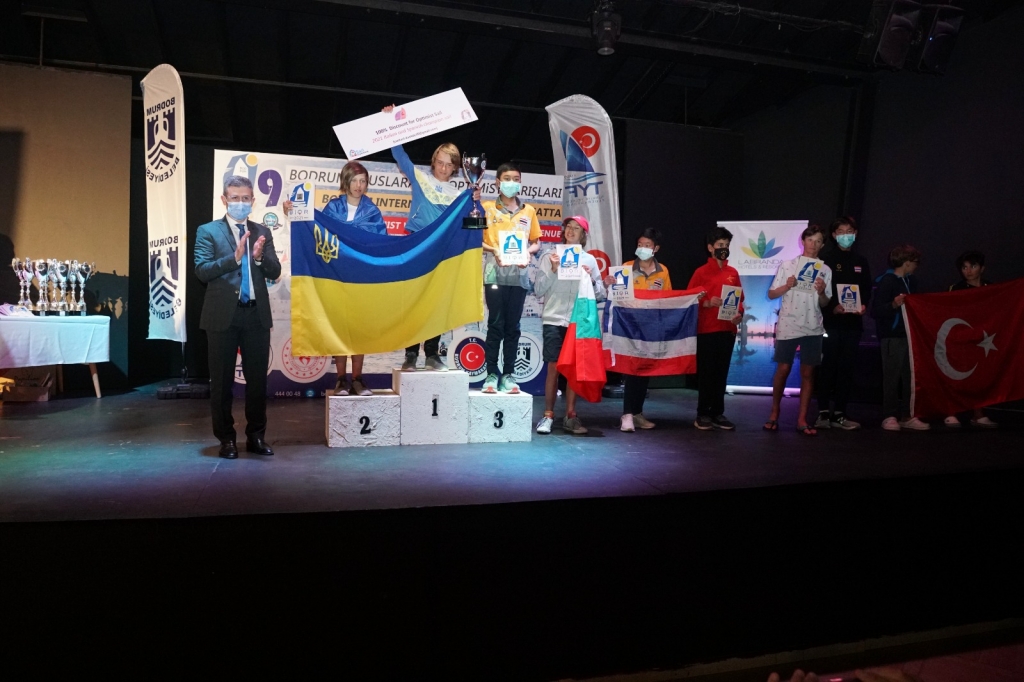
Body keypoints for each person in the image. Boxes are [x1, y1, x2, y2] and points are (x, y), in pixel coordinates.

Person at [381, 104, 481, 372]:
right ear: (433, 161)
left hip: (441, 251)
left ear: (455, 168)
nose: (444, 168)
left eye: (449, 165)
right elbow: (398, 153)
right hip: (415, 244)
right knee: (414, 301)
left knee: (436, 302)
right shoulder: (420, 178)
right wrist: (391, 121)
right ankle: (411, 354)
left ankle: (433, 354)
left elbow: (469, 226)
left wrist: (475, 202)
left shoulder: (458, 196)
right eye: (440, 162)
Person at [195, 175, 281, 459]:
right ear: (224, 200)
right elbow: (202, 271)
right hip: (222, 317)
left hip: (256, 315)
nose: (240, 203)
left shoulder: (262, 231)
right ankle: (226, 439)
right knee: (221, 383)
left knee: (257, 382)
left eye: (245, 198)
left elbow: (275, 270)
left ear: (253, 200)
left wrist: (258, 258)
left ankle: (256, 436)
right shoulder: (208, 231)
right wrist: (234, 257)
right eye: (235, 198)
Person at [286, 161, 386, 397]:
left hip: (360, 279)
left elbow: (380, 243)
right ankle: (341, 379)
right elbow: (314, 229)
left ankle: (358, 379)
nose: (359, 186)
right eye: (354, 181)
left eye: (363, 181)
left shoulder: (372, 211)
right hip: (335, 277)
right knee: (339, 328)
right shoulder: (332, 208)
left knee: (359, 330)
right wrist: (292, 211)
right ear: (345, 182)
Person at [533, 216, 606, 435]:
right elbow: (538, 289)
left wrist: (591, 279)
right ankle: (548, 415)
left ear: (584, 235)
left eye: (577, 228)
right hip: (554, 318)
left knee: (574, 369)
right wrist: (554, 269)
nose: (571, 231)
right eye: (568, 227)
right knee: (554, 367)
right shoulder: (550, 255)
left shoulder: (589, 260)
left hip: (578, 321)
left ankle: (571, 416)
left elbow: (601, 294)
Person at [764, 224, 833, 435]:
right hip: (789, 323)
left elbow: (825, 303)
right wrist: (787, 285)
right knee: (783, 369)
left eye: (818, 241)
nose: (813, 244)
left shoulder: (825, 270)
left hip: (813, 326)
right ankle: (774, 412)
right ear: (803, 241)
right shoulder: (787, 265)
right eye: (810, 240)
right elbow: (771, 294)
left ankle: (802, 419)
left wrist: (822, 292)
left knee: (808, 372)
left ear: (822, 245)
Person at [479, 162, 541, 394]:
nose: (511, 183)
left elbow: (536, 242)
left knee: (513, 328)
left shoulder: (529, 211)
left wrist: (528, 253)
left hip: (519, 277)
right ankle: (491, 375)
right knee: (495, 325)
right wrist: (494, 250)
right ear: (498, 182)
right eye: (507, 178)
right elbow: (477, 239)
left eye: (516, 179)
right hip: (494, 275)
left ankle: (508, 375)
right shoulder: (487, 208)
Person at [606, 228, 672, 433]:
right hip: (629, 327)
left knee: (644, 370)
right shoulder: (626, 268)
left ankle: (638, 413)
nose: (642, 248)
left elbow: (669, 298)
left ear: (656, 248)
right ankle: (627, 414)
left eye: (647, 245)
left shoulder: (663, 271)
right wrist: (609, 284)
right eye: (640, 244)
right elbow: (617, 297)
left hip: (651, 328)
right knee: (631, 369)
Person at [815, 217, 872, 431]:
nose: (845, 235)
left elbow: (866, 289)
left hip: (853, 324)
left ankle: (840, 413)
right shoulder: (825, 259)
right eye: (841, 231)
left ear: (855, 233)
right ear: (833, 235)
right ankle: (822, 413)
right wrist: (833, 307)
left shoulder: (861, 261)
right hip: (830, 323)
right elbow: (819, 291)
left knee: (846, 369)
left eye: (849, 231)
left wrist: (864, 305)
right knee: (827, 367)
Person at [687, 226, 744, 431]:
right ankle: (702, 413)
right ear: (710, 248)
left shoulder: (732, 273)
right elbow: (689, 299)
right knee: (707, 374)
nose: (723, 249)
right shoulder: (701, 272)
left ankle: (717, 413)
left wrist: (739, 315)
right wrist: (707, 303)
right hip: (707, 330)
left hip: (727, 330)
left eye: (726, 245)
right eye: (720, 245)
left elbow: (740, 300)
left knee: (721, 373)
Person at [871, 244, 929, 431]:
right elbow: (876, 311)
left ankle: (908, 415)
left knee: (909, 377)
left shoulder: (912, 281)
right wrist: (894, 305)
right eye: (915, 262)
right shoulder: (886, 281)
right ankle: (889, 415)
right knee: (892, 377)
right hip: (892, 336)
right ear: (907, 263)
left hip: (910, 336)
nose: (917, 266)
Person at [945, 250, 996, 428]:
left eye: (973, 266)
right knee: (957, 376)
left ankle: (978, 414)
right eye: (964, 267)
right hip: (962, 339)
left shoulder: (991, 288)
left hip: (984, 340)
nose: (968, 271)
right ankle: (951, 412)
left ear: (982, 268)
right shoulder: (955, 288)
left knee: (980, 377)